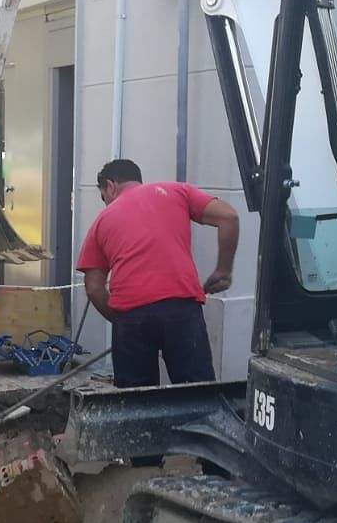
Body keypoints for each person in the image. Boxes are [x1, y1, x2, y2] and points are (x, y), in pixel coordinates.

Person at [76, 159, 240, 389]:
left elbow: (94, 288)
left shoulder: (100, 223)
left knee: (136, 402)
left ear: (110, 187)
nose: (106, 204)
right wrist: (223, 270)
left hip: (130, 314)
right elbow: (229, 217)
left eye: (104, 198)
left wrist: (124, 321)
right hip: (181, 308)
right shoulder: (176, 191)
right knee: (197, 395)